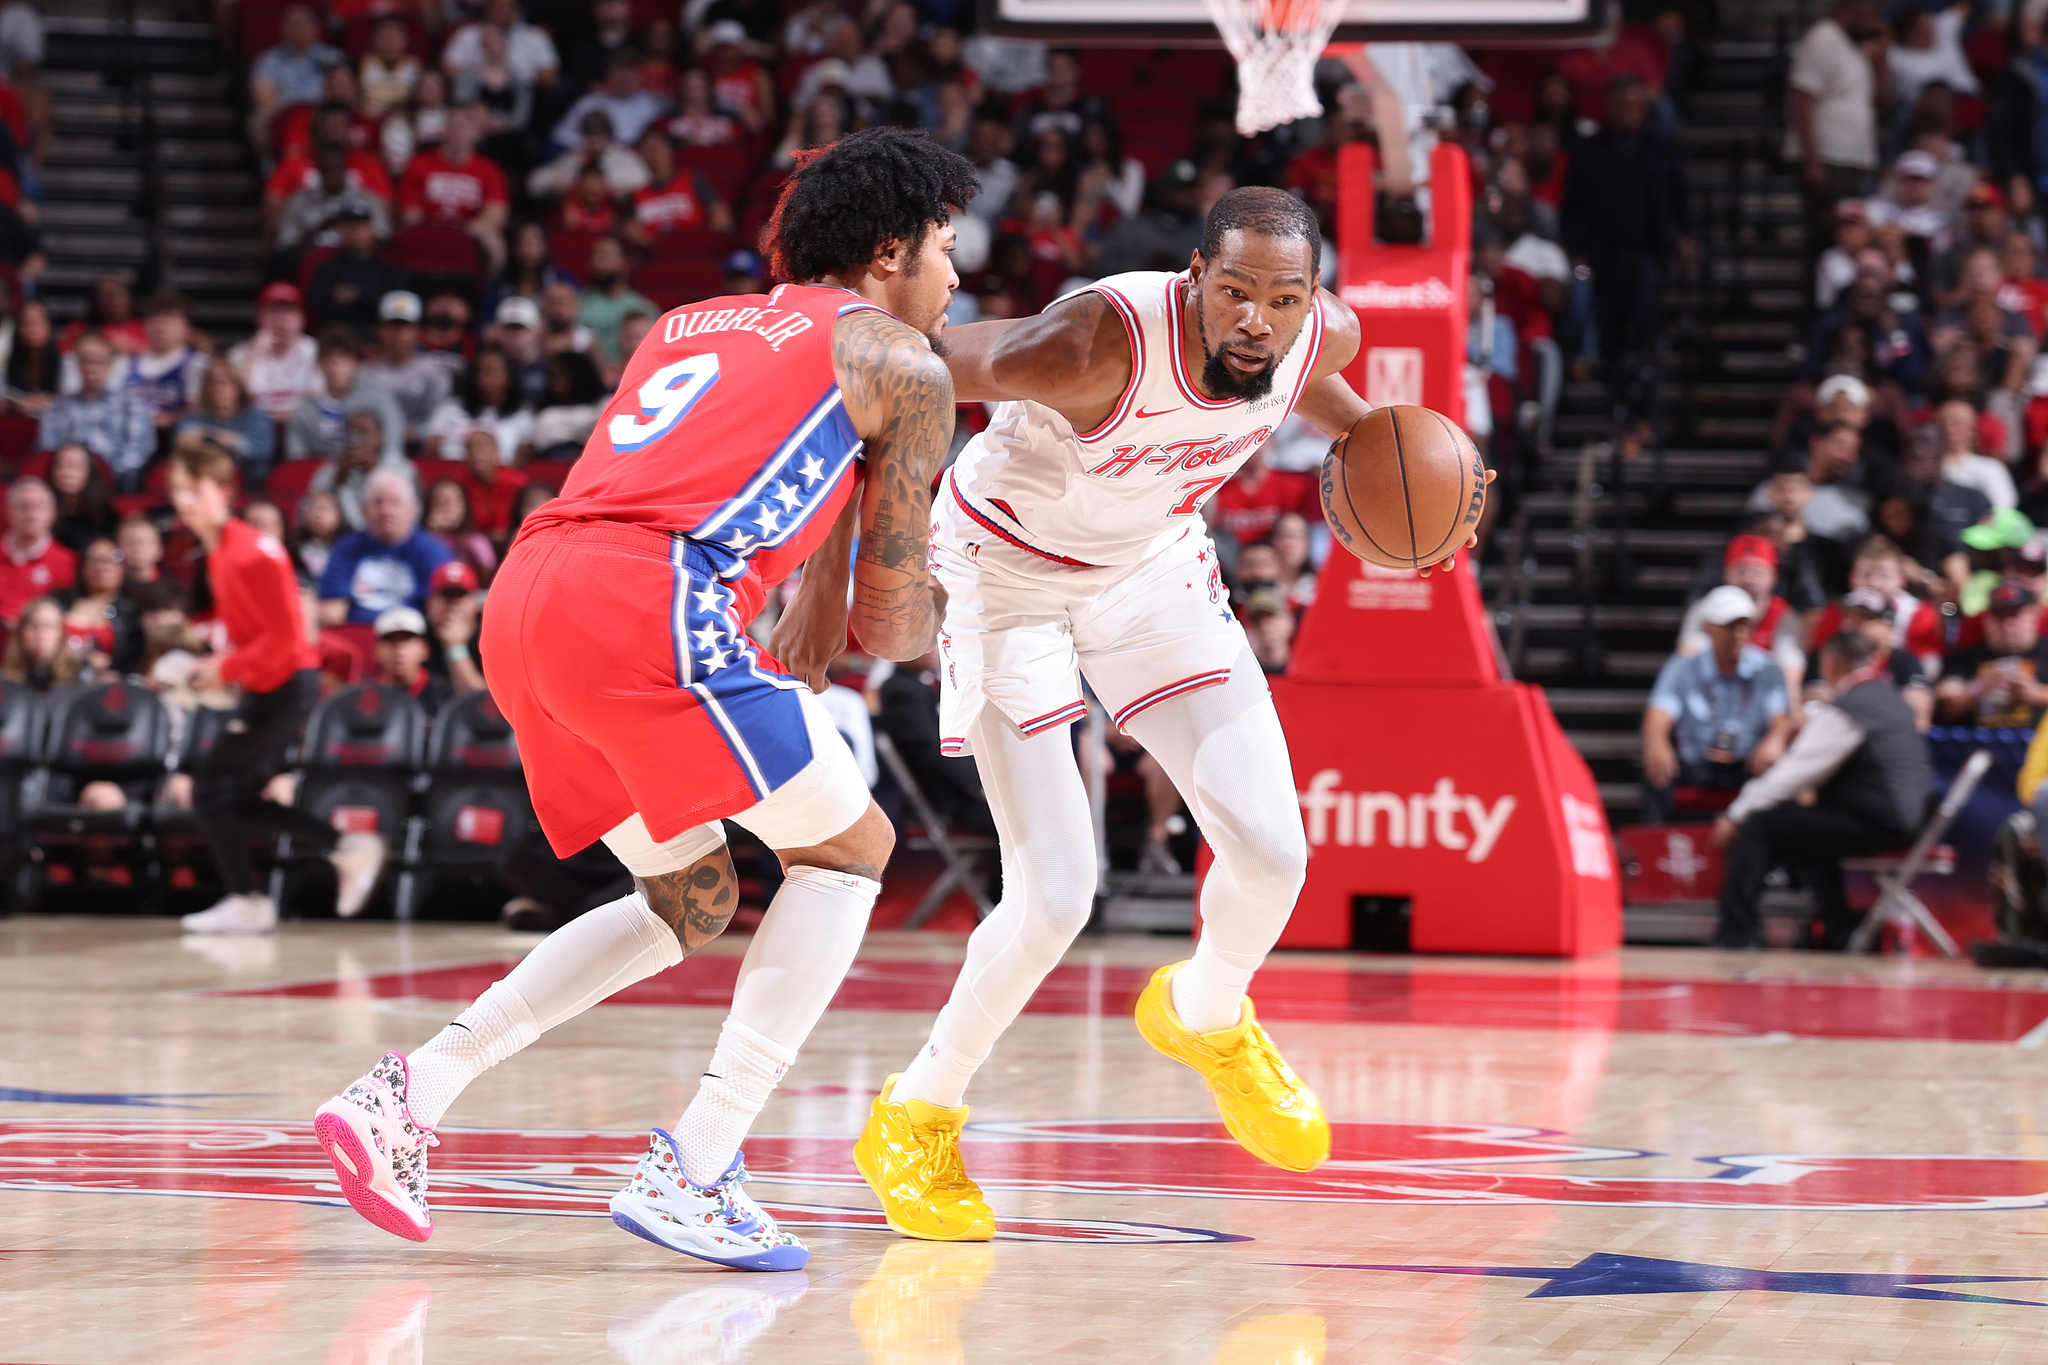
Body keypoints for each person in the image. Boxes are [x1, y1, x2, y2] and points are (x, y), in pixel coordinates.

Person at [313, 125, 973, 1272]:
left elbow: (777, 486)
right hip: (652, 601)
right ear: (888, 253)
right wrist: (981, 610)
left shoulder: (688, 323)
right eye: (946, 248)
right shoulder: (904, 366)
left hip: (528, 597)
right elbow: (891, 624)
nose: (954, 279)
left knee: (692, 896)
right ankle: (698, 1165)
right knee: (850, 850)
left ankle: (411, 1091)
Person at [848, 186, 1480, 1240]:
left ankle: (1205, 1015)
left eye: (1282, 299)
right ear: (1194, 278)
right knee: (1055, 897)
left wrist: (1397, 466)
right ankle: (914, 1114)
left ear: (1311, 298)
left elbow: (1308, 386)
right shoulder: (1091, 345)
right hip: (1005, 575)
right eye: (1234, 292)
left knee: (1273, 855)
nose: (1256, 320)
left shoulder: (1317, 336)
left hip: (1150, 571)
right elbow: (910, 363)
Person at [168, 441, 385, 936]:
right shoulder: (219, 553)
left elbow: (288, 639)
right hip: (270, 684)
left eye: (195, 489)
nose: (183, 500)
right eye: (178, 490)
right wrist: (220, 666)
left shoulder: (253, 552)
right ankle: (346, 848)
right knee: (239, 796)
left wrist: (228, 667)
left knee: (210, 787)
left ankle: (247, 898)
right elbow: (256, 635)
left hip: (288, 684)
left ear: (224, 491)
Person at [1712, 631, 1932, 950]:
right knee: (1806, 834)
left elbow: (1794, 773)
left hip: (1880, 821)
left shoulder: (1851, 707)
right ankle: (1839, 929)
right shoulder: (1891, 699)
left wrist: (1735, 815)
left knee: (1762, 824)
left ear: (1830, 665)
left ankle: (1735, 933)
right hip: (1908, 820)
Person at [1562, 76, 1692, 439]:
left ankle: (1646, 409)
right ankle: (1620, 406)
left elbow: (1680, 197)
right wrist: (1576, 251)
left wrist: (1685, 235)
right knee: (1612, 336)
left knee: (1647, 326)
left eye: (1636, 107)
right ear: (1609, 107)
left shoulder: (1660, 148)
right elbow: (1571, 209)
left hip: (1650, 255)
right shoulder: (1589, 150)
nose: (1630, 114)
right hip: (1605, 259)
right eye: (1622, 107)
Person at [1641, 585, 1794, 824]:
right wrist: (1657, 743)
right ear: (1708, 628)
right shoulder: (1683, 667)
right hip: (1697, 764)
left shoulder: (1768, 669)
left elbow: (1782, 719)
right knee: (1655, 767)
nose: (1738, 633)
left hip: (1748, 763)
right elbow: (1658, 713)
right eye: (1729, 625)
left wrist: (1776, 738)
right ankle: (1656, 843)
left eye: (1745, 625)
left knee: (1780, 768)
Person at [1787, 0, 1883, 292]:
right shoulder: (1823, 38)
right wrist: (1812, 160)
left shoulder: (1856, 48)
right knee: (1826, 243)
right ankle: (1817, 314)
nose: (1875, 17)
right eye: (1871, 10)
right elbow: (1802, 98)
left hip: (1852, 159)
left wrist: (1882, 56)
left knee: (1850, 246)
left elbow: (1882, 97)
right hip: (1828, 158)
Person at [316, 468, 452, 624]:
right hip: (357, 632)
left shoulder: (434, 552)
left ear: (413, 508)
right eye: (378, 502)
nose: (386, 511)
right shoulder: (346, 548)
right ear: (364, 510)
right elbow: (332, 609)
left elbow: (442, 611)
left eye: (395, 502)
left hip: (412, 634)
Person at [396, 103, 509, 273]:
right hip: (428, 228)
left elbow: (496, 215)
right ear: (444, 130)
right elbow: (411, 215)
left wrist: (463, 230)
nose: (457, 132)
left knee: (495, 242)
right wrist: (438, 230)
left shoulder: (489, 169)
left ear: (476, 133)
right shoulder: (419, 164)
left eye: (463, 126)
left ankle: (483, 287)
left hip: (470, 230)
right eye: (453, 125)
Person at [35, 332, 155, 490]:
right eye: (86, 361)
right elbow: (48, 449)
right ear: (77, 364)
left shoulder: (132, 406)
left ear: (111, 364)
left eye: (99, 361)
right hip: (67, 483)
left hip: (115, 484)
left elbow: (137, 453)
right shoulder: (58, 407)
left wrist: (103, 475)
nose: (91, 367)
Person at [285, 327, 405, 464]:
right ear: (318, 363)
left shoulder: (379, 400)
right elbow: (296, 462)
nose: (334, 365)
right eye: (327, 357)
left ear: (355, 363)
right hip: (322, 475)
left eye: (343, 357)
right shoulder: (305, 410)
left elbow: (393, 449)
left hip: (372, 471)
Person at [1935, 582, 2048, 726]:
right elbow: (1942, 707)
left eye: (2015, 615)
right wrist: (1978, 687)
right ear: (1987, 620)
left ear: (2034, 615)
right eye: (1999, 617)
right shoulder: (1965, 658)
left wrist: (2037, 694)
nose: (2007, 626)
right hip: (1977, 737)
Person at [356, 291, 453, 445]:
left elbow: (443, 418)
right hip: (377, 447)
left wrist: (418, 432)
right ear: (380, 329)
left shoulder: (434, 373)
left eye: (405, 326)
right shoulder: (365, 373)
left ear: (417, 330)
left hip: (421, 448)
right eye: (393, 326)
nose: (399, 333)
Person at [173, 360, 278, 491]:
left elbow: (260, 452)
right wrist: (231, 441)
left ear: (239, 386)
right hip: (201, 484)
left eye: (228, 382)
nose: (220, 388)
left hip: (250, 488)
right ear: (206, 387)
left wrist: (208, 434)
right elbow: (182, 442)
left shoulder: (257, 417)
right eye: (214, 382)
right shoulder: (194, 416)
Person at [229, 283, 323, 425]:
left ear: (302, 319)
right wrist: (254, 356)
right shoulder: (239, 354)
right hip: (254, 429)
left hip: (303, 428)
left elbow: (322, 404)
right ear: (258, 317)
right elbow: (232, 404)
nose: (281, 319)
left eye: (289, 311)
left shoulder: (314, 350)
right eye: (273, 311)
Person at [312, 410, 416, 531]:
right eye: (351, 432)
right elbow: (312, 506)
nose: (356, 438)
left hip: (388, 533)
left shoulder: (400, 467)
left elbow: (414, 512)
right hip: (342, 535)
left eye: (363, 432)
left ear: (380, 436)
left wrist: (375, 471)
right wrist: (339, 476)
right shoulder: (335, 466)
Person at [425, 346, 531, 462]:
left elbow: (521, 466)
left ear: (509, 376)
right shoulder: (450, 409)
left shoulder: (522, 416)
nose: (484, 379)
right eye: (479, 371)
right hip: (451, 471)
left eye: (492, 371)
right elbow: (428, 456)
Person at [56, 538, 140, 674]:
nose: (103, 566)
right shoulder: (60, 603)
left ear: (122, 568)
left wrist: (113, 666)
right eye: (95, 560)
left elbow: (135, 658)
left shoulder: (131, 613)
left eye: (112, 559)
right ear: (83, 566)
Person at [0, 476, 75, 625]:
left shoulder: (68, 562)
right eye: (23, 507)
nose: (31, 515)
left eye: (39, 507)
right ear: (7, 511)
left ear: (52, 513)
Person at [576, 236, 657, 373]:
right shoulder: (577, 303)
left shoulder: (643, 308)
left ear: (625, 263)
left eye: (606, 255)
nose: (599, 263)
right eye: (596, 255)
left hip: (627, 374)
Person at [366, 604, 453, 714]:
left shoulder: (443, 694)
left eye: (407, 641)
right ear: (376, 650)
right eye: (391, 641)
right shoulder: (364, 696)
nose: (398, 650)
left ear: (425, 650)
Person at [423, 472, 497, 579]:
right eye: (441, 501)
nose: (449, 508)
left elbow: (490, 577)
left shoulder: (477, 541)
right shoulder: (422, 538)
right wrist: (432, 534)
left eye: (455, 500)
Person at [0, 594, 80, 691]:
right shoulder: (4, 682)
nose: (41, 634)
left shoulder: (79, 676)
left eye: (49, 626)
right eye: (34, 626)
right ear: (21, 633)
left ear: (62, 634)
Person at [47, 442, 113, 554]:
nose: (67, 472)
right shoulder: (41, 513)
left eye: (75, 466)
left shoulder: (108, 517)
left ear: (90, 472)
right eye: (60, 465)